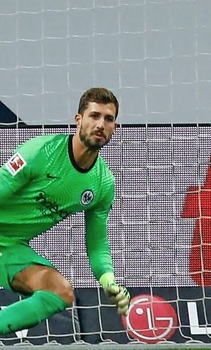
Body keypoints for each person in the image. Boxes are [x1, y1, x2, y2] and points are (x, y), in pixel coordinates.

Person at [0, 87, 130, 335]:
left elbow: (97, 243)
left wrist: (108, 280)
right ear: (78, 119)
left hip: (10, 248)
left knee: (60, 292)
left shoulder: (103, 183)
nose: (100, 124)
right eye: (94, 116)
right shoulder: (41, 152)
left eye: (108, 118)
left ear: (115, 127)